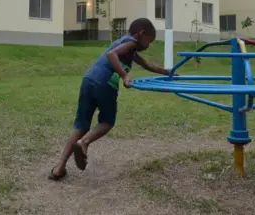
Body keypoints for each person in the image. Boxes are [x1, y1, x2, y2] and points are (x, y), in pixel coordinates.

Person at [49, 18, 172, 181]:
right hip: (105, 84)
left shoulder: (127, 46)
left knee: (81, 124)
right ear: (141, 34)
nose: (148, 45)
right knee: (107, 122)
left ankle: (59, 168)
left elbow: (147, 65)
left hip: (88, 81)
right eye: (149, 41)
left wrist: (167, 72)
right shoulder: (131, 43)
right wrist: (124, 75)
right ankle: (84, 143)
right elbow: (111, 55)